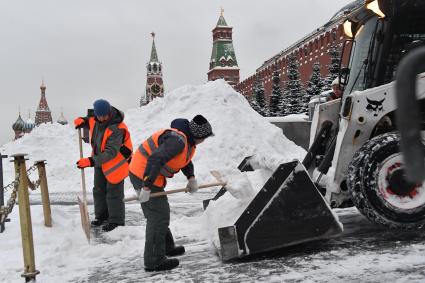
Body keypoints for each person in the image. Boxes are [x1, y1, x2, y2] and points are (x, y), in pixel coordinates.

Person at [129, 114, 214, 272]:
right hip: (144, 174)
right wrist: (146, 186)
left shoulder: (187, 141)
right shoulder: (177, 141)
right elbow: (155, 159)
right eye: (205, 137)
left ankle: (166, 247)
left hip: (147, 173)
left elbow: (184, 160)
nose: (204, 141)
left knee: (160, 212)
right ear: (198, 135)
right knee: (158, 215)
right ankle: (154, 260)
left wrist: (191, 177)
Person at [74, 99, 133, 232]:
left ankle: (116, 221)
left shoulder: (117, 127)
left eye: (105, 115)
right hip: (101, 160)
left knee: (114, 192)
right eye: (99, 115)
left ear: (109, 112)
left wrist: (90, 161)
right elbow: (89, 121)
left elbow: (111, 152)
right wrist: (82, 120)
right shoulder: (95, 120)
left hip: (117, 161)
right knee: (99, 190)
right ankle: (102, 216)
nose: (102, 118)